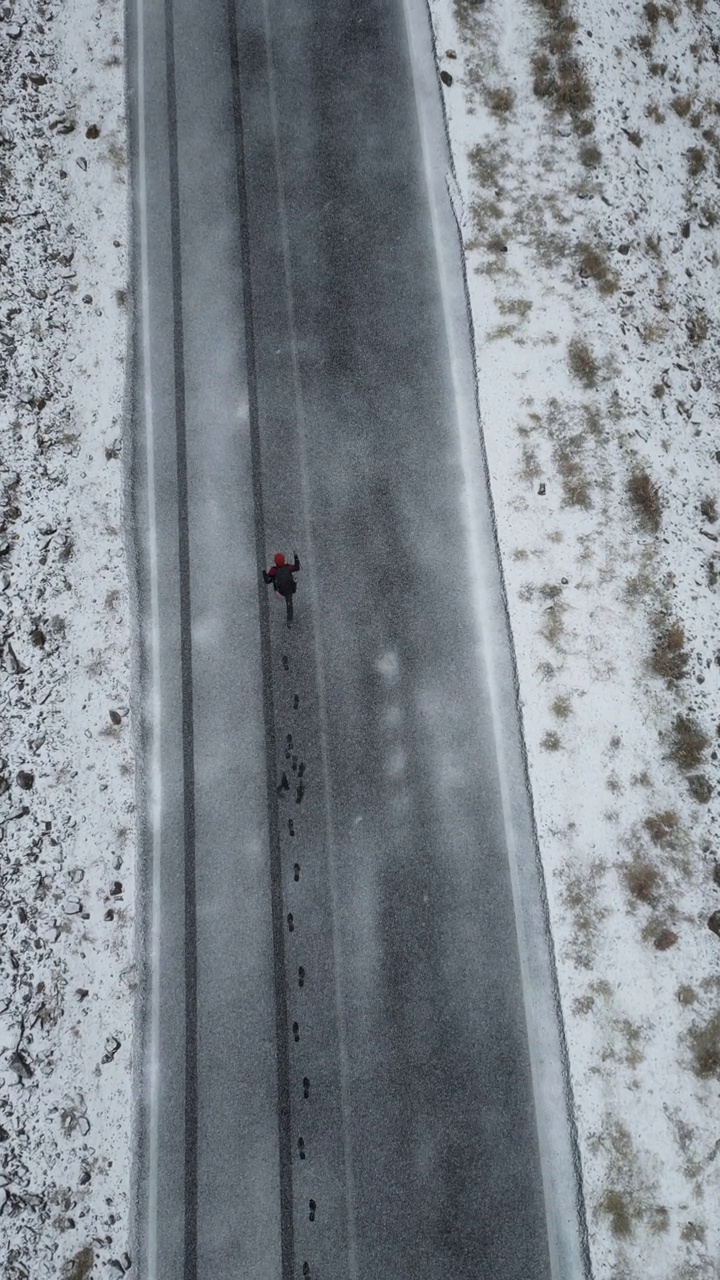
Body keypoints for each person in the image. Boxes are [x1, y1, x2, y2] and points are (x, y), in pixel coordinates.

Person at [263, 552, 300, 626]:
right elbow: (297, 567)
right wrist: (296, 557)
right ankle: (289, 620)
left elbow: (267, 580)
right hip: (290, 589)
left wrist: (263, 572)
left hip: (281, 590)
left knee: (273, 578)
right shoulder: (288, 567)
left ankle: (289, 620)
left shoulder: (274, 570)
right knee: (289, 604)